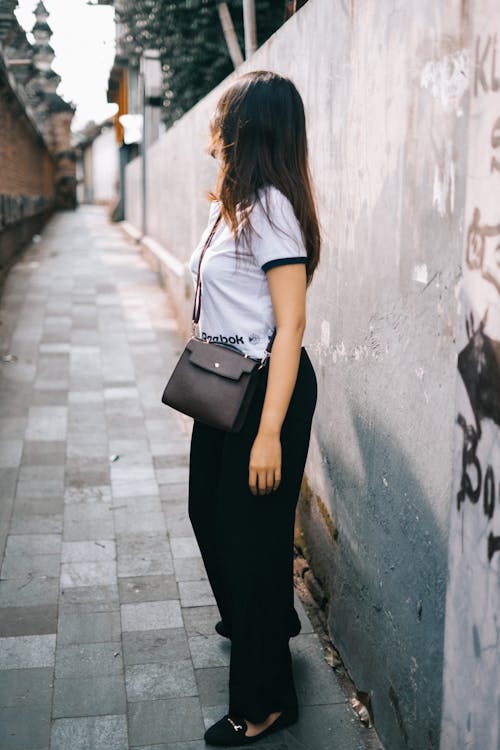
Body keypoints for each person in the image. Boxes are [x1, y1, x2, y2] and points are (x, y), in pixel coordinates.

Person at [188, 70, 321, 746]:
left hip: (267, 391)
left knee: (252, 539)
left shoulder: (271, 207)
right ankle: (262, 624)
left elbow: (291, 326)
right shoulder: (232, 204)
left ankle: (266, 700)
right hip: (225, 382)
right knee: (207, 515)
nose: (213, 131)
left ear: (247, 129)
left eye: (222, 119)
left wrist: (270, 431)